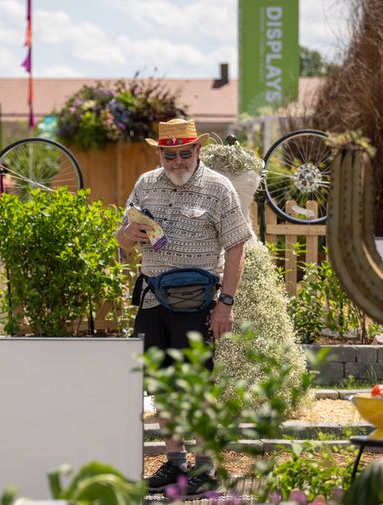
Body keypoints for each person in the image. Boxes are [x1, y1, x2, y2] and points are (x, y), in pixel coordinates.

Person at [114, 119, 251, 498]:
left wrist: (226, 304)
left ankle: (206, 469)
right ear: (160, 153)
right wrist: (128, 234)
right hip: (151, 300)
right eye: (169, 155)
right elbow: (122, 239)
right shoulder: (145, 184)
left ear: (198, 150)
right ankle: (175, 464)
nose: (177, 161)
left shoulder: (219, 188)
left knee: (198, 387)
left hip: (197, 305)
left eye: (184, 153)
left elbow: (237, 247)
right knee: (162, 386)